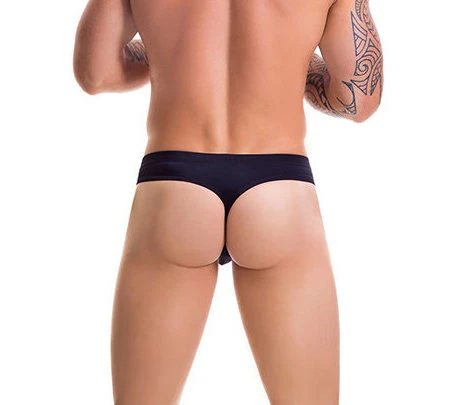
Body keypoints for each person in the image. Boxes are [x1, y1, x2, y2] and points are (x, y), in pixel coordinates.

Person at [73, 0, 383, 403]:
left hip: (174, 186)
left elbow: (95, 71)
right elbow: (358, 98)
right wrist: (296, 67)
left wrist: (165, 56)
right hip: (279, 189)